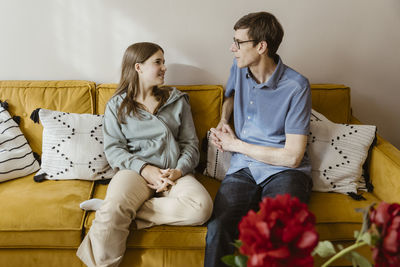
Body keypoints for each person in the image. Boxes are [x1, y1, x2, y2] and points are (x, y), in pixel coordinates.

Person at [77, 42, 213, 267]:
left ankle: (113, 210)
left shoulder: (177, 100)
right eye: (157, 62)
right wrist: (144, 169)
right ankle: (114, 214)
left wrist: (177, 172)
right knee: (114, 212)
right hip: (135, 172)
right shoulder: (117, 106)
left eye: (164, 61)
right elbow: (114, 149)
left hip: (173, 172)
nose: (164, 67)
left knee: (201, 208)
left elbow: (190, 145)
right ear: (138, 67)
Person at [204, 12, 313, 266]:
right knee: (218, 228)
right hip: (243, 168)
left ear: (261, 46)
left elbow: (293, 156)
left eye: (238, 43)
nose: (232, 48)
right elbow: (229, 96)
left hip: (284, 171)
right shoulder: (239, 67)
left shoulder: (297, 87)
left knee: (280, 236)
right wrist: (224, 120)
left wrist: (235, 145)